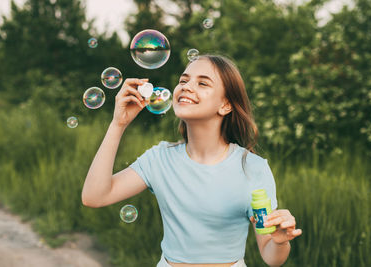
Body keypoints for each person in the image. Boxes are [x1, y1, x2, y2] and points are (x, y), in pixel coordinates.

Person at [81, 54, 302, 267]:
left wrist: (280, 242)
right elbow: (94, 196)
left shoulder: (252, 167)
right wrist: (118, 124)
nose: (186, 86)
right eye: (183, 80)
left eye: (203, 83)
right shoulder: (159, 159)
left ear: (225, 105)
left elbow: (272, 258)